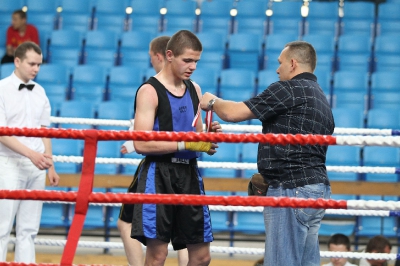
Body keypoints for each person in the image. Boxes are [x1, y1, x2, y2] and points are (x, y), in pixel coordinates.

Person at [200, 41, 334, 266]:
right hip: (316, 190)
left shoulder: (290, 89)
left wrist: (212, 102)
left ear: (293, 63)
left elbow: (233, 113)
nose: (277, 69)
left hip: (291, 189)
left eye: (280, 63)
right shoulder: (321, 98)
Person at [131, 30, 220, 266]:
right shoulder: (149, 91)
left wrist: (207, 140)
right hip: (158, 174)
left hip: (189, 173)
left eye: (196, 61)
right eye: (187, 60)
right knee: (157, 256)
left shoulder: (195, 90)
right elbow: (140, 142)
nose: (192, 67)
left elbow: (198, 137)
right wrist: (185, 142)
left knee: (202, 257)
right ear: (169, 55)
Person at [119, 35, 189, 266]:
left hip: (162, 165)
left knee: (126, 222)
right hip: (177, 163)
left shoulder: (172, 88)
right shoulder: (154, 89)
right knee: (181, 231)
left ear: (161, 55)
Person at [0, 41, 59, 263]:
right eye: (32, 64)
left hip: (36, 166)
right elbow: (2, 133)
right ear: (17, 61)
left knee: (29, 229)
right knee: (2, 226)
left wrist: (50, 164)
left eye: (39, 64)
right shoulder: (2, 89)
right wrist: (33, 155)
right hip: (8, 163)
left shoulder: (40, 91)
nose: (36, 69)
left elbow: (44, 130)